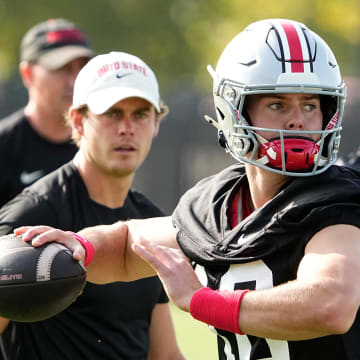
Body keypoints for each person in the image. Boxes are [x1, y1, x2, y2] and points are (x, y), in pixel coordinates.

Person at [15, 19, 360, 359]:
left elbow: (330, 305)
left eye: (311, 105)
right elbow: (126, 245)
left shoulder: (336, 202)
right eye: (277, 104)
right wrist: (82, 246)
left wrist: (201, 301)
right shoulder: (216, 204)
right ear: (234, 110)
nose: (298, 120)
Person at [0, 51, 184, 360]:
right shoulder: (33, 217)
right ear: (78, 120)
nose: (127, 128)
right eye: (111, 113)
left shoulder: (150, 220)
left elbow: (164, 354)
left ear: (156, 123)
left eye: (140, 114)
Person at [0, 18, 95, 207]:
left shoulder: (101, 145)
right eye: (62, 68)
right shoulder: (5, 147)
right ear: (28, 74)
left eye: (82, 67)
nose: (75, 81)